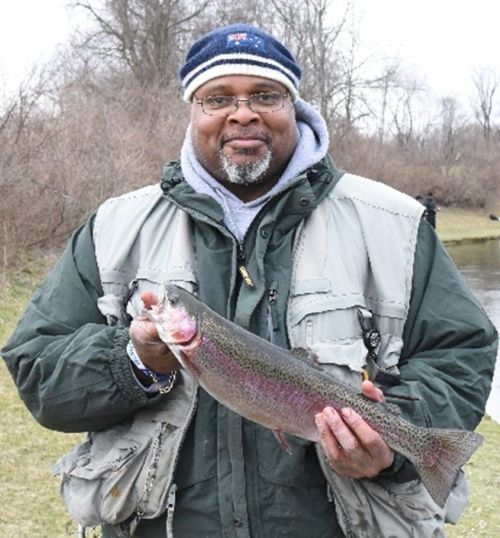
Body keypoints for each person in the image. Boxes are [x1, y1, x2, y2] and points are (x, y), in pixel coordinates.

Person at [1, 24, 498, 538]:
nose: (243, 112)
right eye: (218, 98)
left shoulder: (393, 223)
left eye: (266, 95)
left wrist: (392, 446)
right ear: (193, 111)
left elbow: (461, 352)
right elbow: (38, 366)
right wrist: (133, 362)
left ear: (295, 108)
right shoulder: (113, 228)